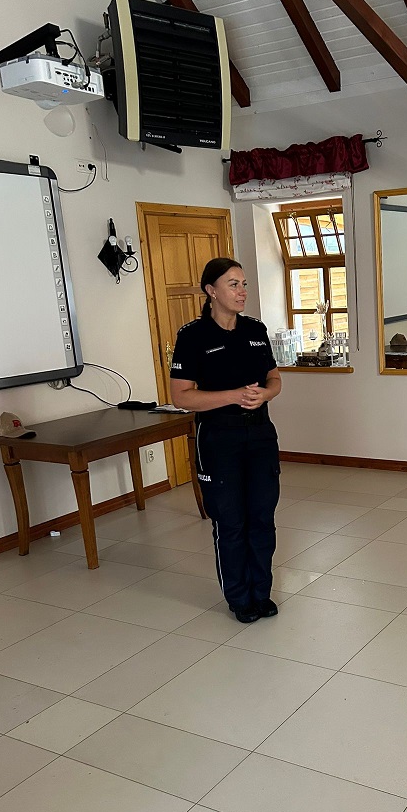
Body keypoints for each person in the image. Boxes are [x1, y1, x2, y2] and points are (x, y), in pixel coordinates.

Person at [170, 258, 282, 622]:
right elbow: (181, 397)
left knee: (262, 518)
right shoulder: (193, 336)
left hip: (260, 434)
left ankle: (261, 593)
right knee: (231, 521)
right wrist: (233, 396)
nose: (242, 291)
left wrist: (266, 394)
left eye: (244, 284)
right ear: (211, 291)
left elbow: (274, 378)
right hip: (219, 438)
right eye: (233, 284)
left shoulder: (255, 329)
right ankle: (239, 598)